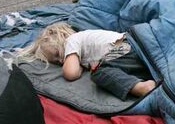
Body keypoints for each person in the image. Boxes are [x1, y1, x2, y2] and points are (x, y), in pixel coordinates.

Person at [17, 22, 156, 100]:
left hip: (126, 48)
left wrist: (77, 67)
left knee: (100, 73)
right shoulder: (81, 44)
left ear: (62, 38)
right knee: (110, 70)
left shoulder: (72, 41)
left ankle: (141, 88)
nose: (61, 61)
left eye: (58, 54)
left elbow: (70, 73)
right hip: (132, 54)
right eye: (56, 62)